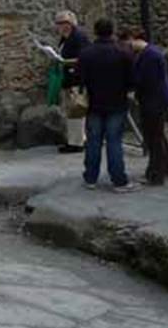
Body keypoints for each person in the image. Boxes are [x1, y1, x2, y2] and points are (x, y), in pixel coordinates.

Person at [77, 18, 137, 192]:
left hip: (94, 103)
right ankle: (119, 181)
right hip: (117, 102)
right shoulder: (123, 52)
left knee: (93, 142)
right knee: (114, 142)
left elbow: (80, 78)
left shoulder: (86, 53)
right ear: (112, 31)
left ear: (95, 31)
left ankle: (90, 178)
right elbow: (132, 79)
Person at [124, 27, 168, 185]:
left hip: (154, 101)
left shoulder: (150, 55)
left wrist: (133, 90)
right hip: (156, 99)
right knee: (157, 134)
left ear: (134, 38)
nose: (128, 45)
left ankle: (156, 174)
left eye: (129, 41)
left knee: (153, 137)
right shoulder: (150, 53)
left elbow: (147, 81)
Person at [55, 10, 90, 153]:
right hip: (68, 78)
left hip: (77, 79)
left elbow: (84, 58)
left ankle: (77, 143)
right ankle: (75, 140)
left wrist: (64, 61)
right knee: (71, 111)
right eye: (59, 23)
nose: (62, 26)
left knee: (77, 110)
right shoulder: (65, 38)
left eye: (65, 23)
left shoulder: (78, 37)